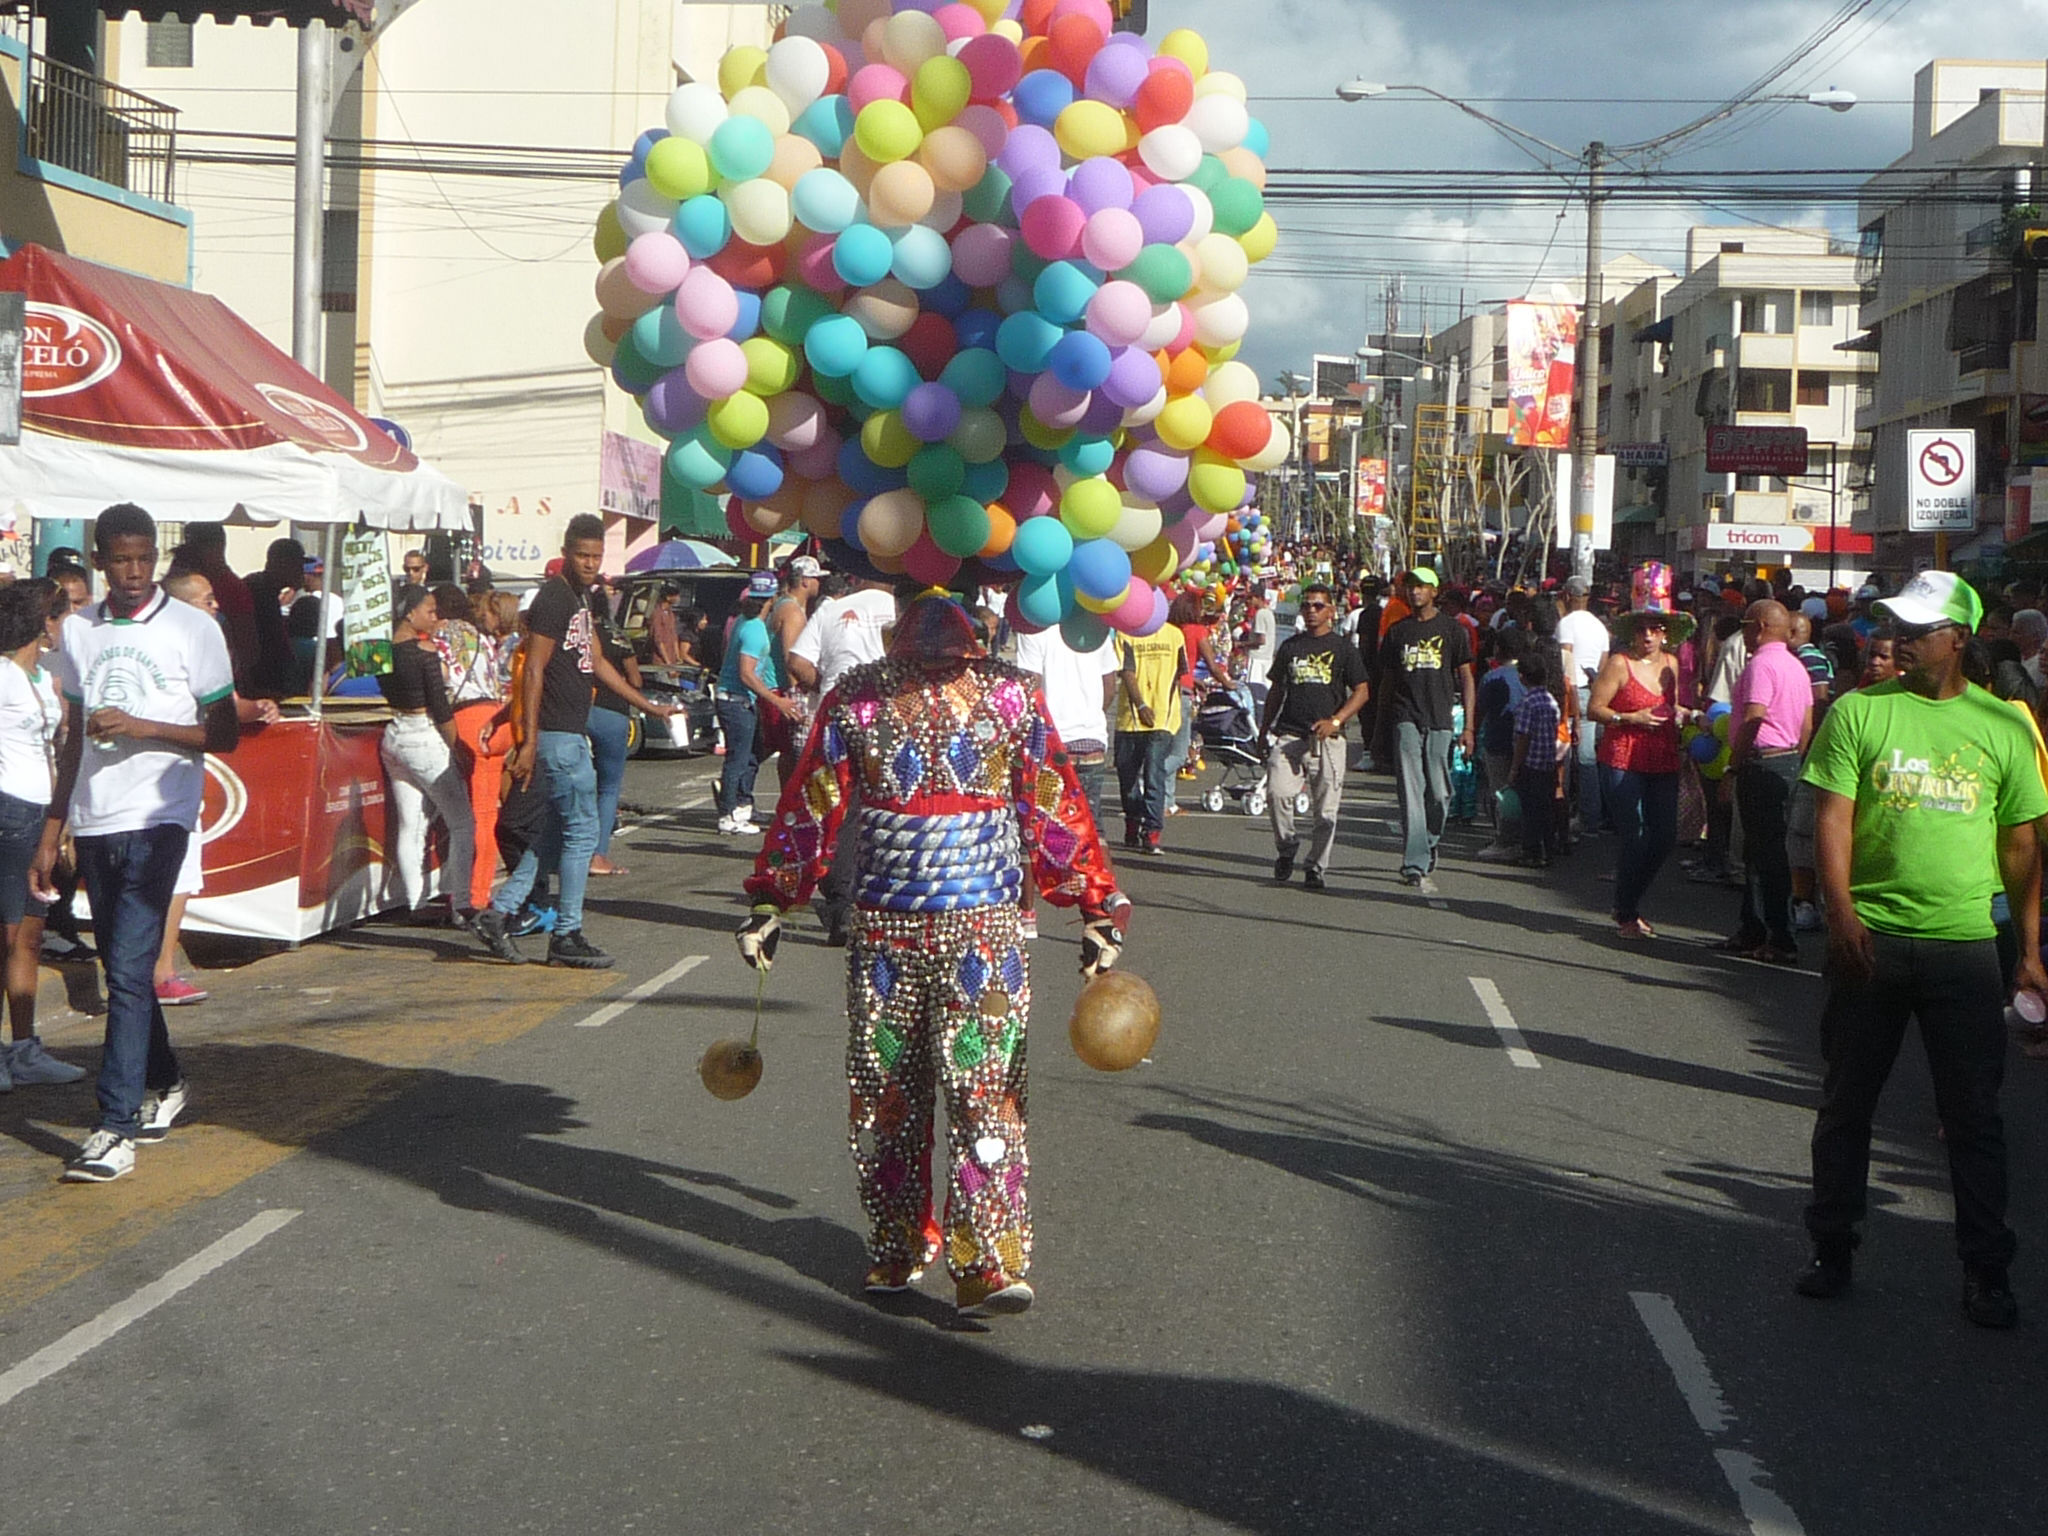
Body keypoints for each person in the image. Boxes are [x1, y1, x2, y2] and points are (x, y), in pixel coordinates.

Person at [734, 588, 1129, 1317]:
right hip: (887, 927)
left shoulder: (1009, 697)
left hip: (982, 931)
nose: (936, 663)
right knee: (889, 1088)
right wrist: (773, 897)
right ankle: (897, 1243)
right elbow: (814, 799)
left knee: (984, 1090)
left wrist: (1095, 903)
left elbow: (1050, 802)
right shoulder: (857, 699)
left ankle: (985, 1254)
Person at [1794, 570, 2046, 1330]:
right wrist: (1839, 913)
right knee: (1847, 1104)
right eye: (1895, 626)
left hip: (1966, 945)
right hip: (1871, 938)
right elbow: (1833, 820)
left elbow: (2022, 844)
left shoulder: (2002, 726)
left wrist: (2030, 950)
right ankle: (1832, 1246)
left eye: (1918, 629)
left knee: (1973, 1117)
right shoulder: (1860, 712)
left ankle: (1986, 1271)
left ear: (1960, 639)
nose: (1899, 640)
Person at [35, 504, 239, 1183]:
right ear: (99, 559)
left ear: (157, 556)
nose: (132, 572)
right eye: (120, 559)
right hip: (94, 818)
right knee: (123, 968)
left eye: (143, 558)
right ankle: (168, 1081)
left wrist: (144, 727)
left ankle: (114, 1126)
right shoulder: (78, 633)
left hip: (160, 816)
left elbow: (226, 733)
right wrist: (53, 824)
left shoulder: (193, 627)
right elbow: (70, 736)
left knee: (129, 965)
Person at [470, 515, 675, 970]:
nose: (589, 564)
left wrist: (646, 704)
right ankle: (566, 932)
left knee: (555, 834)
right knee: (582, 834)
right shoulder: (553, 599)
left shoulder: (582, 597)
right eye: (582, 555)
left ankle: (500, 914)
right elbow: (535, 669)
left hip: (570, 733)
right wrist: (527, 741)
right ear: (566, 552)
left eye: (596, 556)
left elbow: (597, 661)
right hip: (557, 737)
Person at [0, 583, 85, 1091]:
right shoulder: (2, 674)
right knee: (7, 935)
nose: (68, 623)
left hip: (39, 812)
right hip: (9, 807)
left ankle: (24, 1048)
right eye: (62, 614)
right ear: (43, 621)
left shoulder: (41, 676)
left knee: (28, 935)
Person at [788, 571, 902, 944]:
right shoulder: (900, 609)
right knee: (889, 808)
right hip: (889, 721)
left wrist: (826, 685)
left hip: (836, 719)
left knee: (839, 811)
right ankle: (884, 902)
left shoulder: (831, 609)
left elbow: (797, 662)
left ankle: (841, 903)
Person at [1588, 568, 1692, 940]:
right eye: (1641, 629)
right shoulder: (1619, 664)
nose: (1648, 635)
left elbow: (1673, 706)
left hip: (1662, 756)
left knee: (1663, 837)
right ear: (1631, 632)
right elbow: (1594, 709)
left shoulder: (1672, 665)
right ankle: (1627, 911)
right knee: (1634, 834)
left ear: (1665, 632)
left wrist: (1683, 716)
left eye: (1655, 628)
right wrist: (1629, 716)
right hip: (1622, 756)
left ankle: (1628, 900)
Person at [1712, 600, 1813, 965]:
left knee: (1766, 855)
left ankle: (1780, 937)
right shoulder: (1795, 666)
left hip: (1761, 763)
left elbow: (1754, 717)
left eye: (1745, 626)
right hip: (1786, 760)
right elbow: (1806, 721)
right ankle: (1753, 929)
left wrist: (1733, 769)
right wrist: (1795, 758)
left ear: (1757, 625)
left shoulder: (1761, 665)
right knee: (1760, 853)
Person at [1259, 582, 1370, 891]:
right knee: (1277, 795)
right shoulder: (1291, 647)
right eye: (1306, 605)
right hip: (1289, 734)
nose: (1310, 610)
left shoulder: (1343, 649)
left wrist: (1336, 720)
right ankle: (1286, 847)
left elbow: (1362, 691)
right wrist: (1264, 728)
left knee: (1325, 813)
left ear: (1331, 612)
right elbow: (1277, 689)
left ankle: (1316, 866)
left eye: (1318, 606)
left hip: (1327, 741)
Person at [377, 585, 475, 923]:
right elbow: (441, 709)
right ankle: (462, 904)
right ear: (410, 612)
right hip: (423, 736)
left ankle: (415, 902)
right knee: (462, 823)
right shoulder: (424, 652)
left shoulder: (378, 649)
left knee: (410, 824)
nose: (435, 617)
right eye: (430, 610)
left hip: (394, 735)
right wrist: (457, 746)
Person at [1379, 568, 1476, 887]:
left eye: (1421, 587)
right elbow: (1388, 680)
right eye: (1410, 587)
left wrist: (1469, 727)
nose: (1415, 592)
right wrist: (1379, 728)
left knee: (1439, 791)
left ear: (1435, 592)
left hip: (1440, 719)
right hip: (1405, 716)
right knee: (1410, 790)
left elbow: (1466, 677)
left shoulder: (1452, 630)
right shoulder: (1397, 631)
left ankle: (1429, 840)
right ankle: (1414, 860)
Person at [428, 584, 507, 909]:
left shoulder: (442, 635)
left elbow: (442, 679)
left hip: (467, 720)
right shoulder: (481, 636)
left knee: (466, 817)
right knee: (487, 815)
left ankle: (468, 896)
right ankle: (481, 891)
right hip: (496, 718)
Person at [716, 572, 794, 836]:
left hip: (736, 699)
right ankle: (727, 814)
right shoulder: (754, 629)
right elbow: (746, 673)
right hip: (735, 700)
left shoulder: (743, 621)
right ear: (772, 598)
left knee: (749, 755)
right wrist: (776, 700)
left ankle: (740, 806)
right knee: (737, 759)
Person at [1114, 615, 1183, 857]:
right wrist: (1141, 705)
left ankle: (1152, 831)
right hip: (1131, 719)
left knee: (1155, 773)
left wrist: (1174, 705)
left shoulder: (1175, 634)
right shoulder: (1126, 633)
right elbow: (1126, 671)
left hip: (1162, 719)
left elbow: (1179, 672)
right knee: (1127, 777)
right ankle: (1133, 821)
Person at [585, 585, 640, 877]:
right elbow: (635, 678)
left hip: (577, 710)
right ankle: (598, 854)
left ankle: (564, 848)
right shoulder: (617, 633)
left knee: (576, 786)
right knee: (608, 788)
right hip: (612, 711)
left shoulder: (575, 631)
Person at [169, 522, 258, 691]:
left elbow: (247, 645)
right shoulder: (179, 581)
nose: (215, 606)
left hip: (224, 679)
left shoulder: (232, 587)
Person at [1556, 575, 1612, 835]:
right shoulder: (1600, 627)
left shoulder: (1566, 624)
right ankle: (1590, 815)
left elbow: (1564, 660)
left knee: (1563, 753)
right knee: (1588, 755)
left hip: (1570, 692)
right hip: (1592, 690)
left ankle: (1561, 810)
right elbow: (1603, 665)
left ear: (1568, 595)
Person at [1472, 629, 1529, 863]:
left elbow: (1480, 710)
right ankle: (1525, 838)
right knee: (1522, 791)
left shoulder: (1492, 677)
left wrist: (1472, 733)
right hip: (1527, 742)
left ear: (1498, 649)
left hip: (1497, 740)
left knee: (1501, 792)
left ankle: (1506, 840)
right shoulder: (1529, 674)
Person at [1510, 648, 1563, 868]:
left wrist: (1514, 767)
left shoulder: (1527, 702)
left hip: (1530, 764)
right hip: (1548, 763)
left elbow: (1523, 736)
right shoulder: (1550, 701)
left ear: (1522, 676)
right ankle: (1547, 850)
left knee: (1530, 811)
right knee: (1545, 809)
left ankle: (1530, 851)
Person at [243, 537, 305, 699]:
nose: (301, 570)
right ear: (281, 563)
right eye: (297, 565)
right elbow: (270, 640)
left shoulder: (267, 589)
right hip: (261, 682)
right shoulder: (260, 590)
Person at [646, 584, 684, 668]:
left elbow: (674, 637)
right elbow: (658, 640)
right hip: (661, 662)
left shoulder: (671, 614)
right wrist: (668, 663)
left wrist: (677, 657)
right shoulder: (657, 614)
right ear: (668, 597)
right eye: (676, 596)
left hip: (673, 660)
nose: (678, 598)